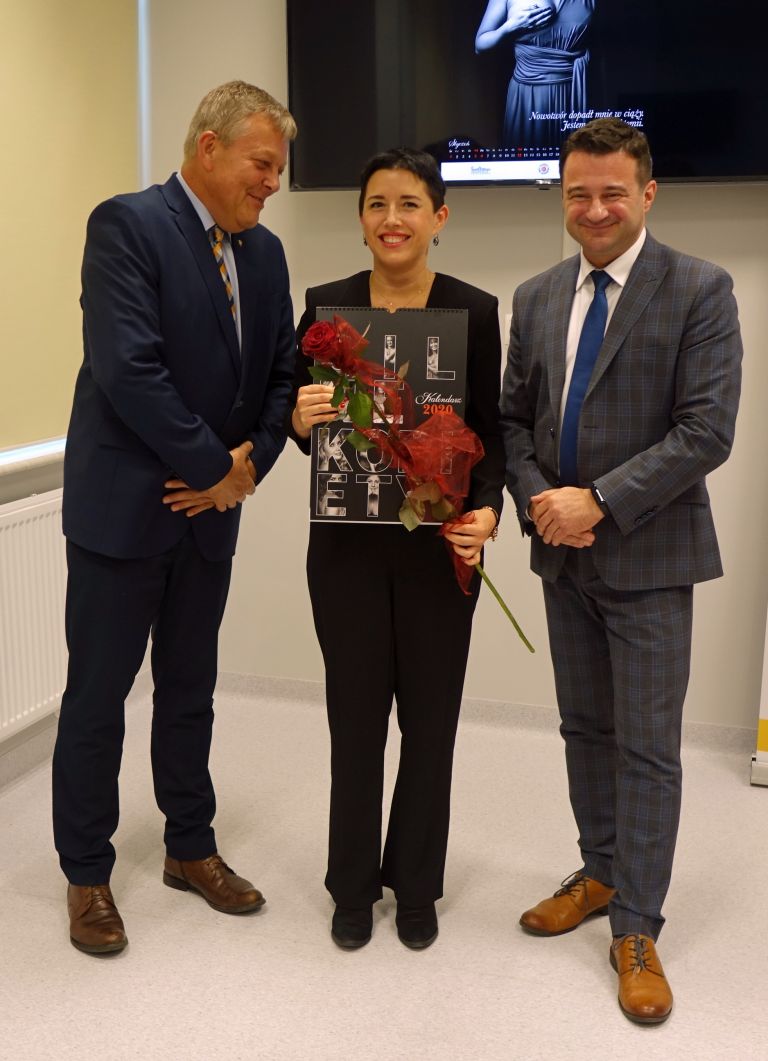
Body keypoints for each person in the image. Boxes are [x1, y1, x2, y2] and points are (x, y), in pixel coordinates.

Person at [499, 118, 742, 1022]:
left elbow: (705, 431)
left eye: (612, 192)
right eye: (578, 193)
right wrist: (539, 499)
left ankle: (637, 924)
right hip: (561, 555)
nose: (594, 209)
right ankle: (599, 872)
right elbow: (512, 420)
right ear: (561, 197)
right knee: (584, 728)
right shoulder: (536, 295)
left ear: (647, 194)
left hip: (649, 553)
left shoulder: (700, 289)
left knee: (645, 745)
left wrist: (597, 500)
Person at [53, 81, 297, 954]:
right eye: (261, 163)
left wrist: (247, 469)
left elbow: (281, 376)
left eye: (279, 168)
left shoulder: (264, 255)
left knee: (191, 693)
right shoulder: (127, 226)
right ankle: (87, 871)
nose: (272, 182)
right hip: (125, 515)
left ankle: (189, 846)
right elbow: (130, 369)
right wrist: (213, 468)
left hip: (209, 520)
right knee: (98, 699)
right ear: (208, 147)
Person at [290, 148, 504, 950]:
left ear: (438, 218)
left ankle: (415, 885)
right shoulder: (325, 308)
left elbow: (492, 433)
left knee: (431, 723)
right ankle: (351, 886)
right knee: (354, 723)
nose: (392, 219)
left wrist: (486, 512)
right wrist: (299, 418)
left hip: (437, 549)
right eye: (377, 203)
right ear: (360, 218)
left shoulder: (474, 311)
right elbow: (299, 420)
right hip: (345, 551)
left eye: (409, 204)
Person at [475, 0, 596, 148]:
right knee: (525, 157)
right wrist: (509, 27)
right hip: (527, 93)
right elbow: (480, 45)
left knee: (572, 155)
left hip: (572, 91)